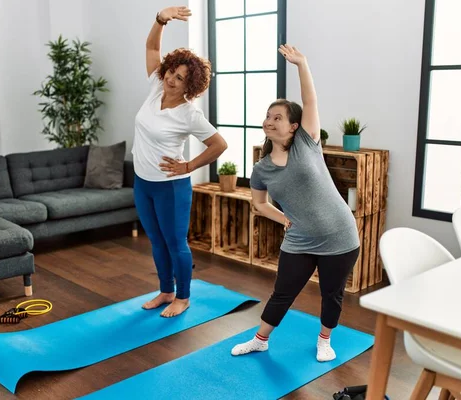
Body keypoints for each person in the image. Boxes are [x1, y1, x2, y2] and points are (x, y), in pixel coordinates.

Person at [230, 44, 360, 362]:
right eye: (268, 116)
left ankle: (324, 341)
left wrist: (301, 64)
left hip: (339, 236)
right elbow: (258, 204)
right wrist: (283, 219)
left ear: (293, 127)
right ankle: (260, 340)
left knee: (332, 294)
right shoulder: (261, 168)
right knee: (283, 293)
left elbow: (310, 100)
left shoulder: (307, 144)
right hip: (300, 240)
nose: (270, 120)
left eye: (279, 117)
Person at [132, 5, 228, 318]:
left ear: (191, 85)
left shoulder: (189, 114)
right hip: (143, 182)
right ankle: (165, 290)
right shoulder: (155, 86)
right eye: (172, 72)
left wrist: (188, 166)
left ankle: (183, 297)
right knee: (156, 242)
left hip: (170, 187)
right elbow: (151, 46)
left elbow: (219, 144)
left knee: (176, 244)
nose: (172, 80)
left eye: (181, 78)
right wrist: (160, 18)